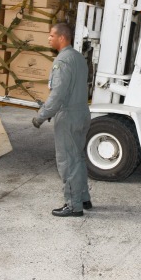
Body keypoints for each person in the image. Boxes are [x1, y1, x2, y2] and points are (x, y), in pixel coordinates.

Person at [31, 23, 92, 217]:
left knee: (68, 161)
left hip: (69, 116)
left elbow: (58, 93)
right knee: (78, 158)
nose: (49, 39)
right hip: (82, 112)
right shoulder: (79, 58)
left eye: (51, 35)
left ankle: (73, 206)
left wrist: (41, 115)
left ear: (62, 38)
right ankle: (83, 198)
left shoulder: (62, 61)